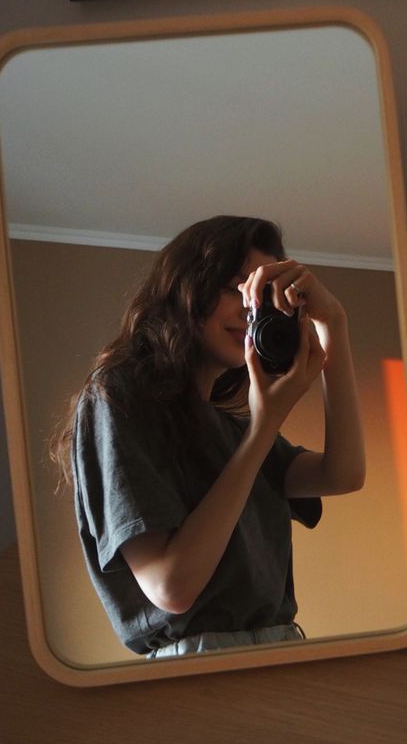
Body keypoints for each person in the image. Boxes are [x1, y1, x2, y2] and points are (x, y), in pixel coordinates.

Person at [51, 215, 365, 657]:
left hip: (283, 649)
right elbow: (171, 586)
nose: (248, 308)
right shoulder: (117, 395)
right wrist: (263, 427)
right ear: (185, 287)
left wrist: (335, 325)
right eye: (234, 287)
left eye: (263, 297)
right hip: (197, 663)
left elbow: (344, 474)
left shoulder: (232, 430)